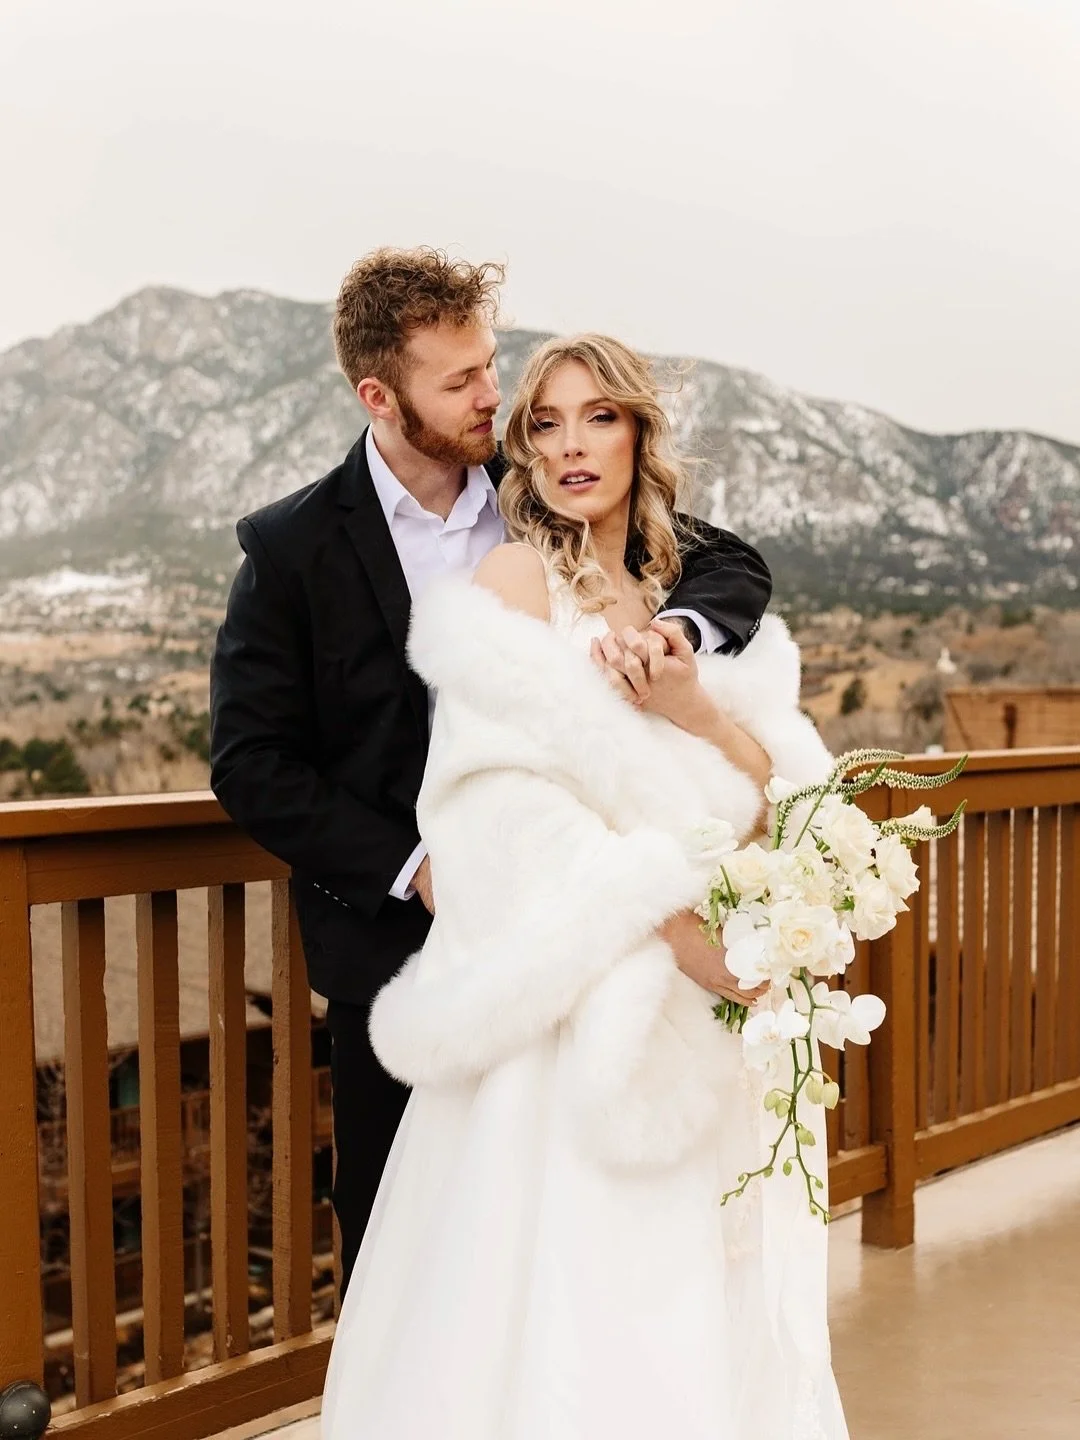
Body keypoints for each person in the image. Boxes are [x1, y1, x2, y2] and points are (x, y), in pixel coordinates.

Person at [209, 248, 774, 1299]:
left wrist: (677, 638)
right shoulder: (292, 549)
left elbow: (723, 560)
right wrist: (418, 865)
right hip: (402, 949)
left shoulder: (536, 499)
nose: (492, 397)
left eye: (489, 365)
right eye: (460, 379)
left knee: (564, 1250)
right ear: (380, 395)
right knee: (406, 1239)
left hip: (588, 934)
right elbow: (250, 762)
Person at [319, 333, 846, 1438]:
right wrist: (674, 927)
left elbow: (766, 785)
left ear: (638, 432)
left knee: (711, 1295)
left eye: (597, 417)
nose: (571, 445)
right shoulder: (510, 585)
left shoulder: (680, 594)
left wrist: (692, 710)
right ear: (524, 449)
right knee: (584, 1309)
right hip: (580, 1014)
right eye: (546, 423)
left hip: (709, 1011)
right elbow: (498, 812)